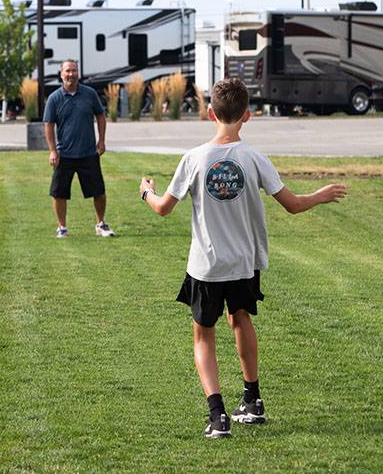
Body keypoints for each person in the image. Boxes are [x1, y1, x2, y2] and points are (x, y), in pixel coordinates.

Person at [139, 77, 347, 438]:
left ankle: (217, 415)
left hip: (206, 265)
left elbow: (161, 209)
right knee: (242, 320)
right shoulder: (255, 159)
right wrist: (321, 194)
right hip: (243, 263)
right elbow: (294, 205)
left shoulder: (194, 158)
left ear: (209, 114)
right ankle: (252, 400)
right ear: (247, 115)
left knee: (204, 336)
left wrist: (147, 192)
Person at [44, 59, 116, 238]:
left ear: (78, 73)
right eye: (67, 71)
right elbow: (48, 124)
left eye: (74, 71)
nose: (71, 74)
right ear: (61, 74)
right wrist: (53, 150)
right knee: (59, 193)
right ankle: (62, 227)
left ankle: (101, 224)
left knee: (98, 191)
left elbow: (100, 116)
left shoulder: (89, 94)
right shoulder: (54, 98)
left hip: (88, 152)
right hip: (64, 154)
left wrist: (101, 141)